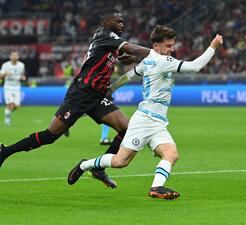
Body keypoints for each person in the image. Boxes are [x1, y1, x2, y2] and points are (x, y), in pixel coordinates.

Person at [67, 25, 223, 199]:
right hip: (144, 120)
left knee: (171, 154)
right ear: (156, 46)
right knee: (120, 161)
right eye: (168, 46)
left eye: (172, 45)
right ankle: (84, 165)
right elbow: (195, 67)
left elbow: (130, 75)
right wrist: (213, 47)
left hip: (158, 122)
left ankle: (156, 187)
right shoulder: (163, 62)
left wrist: (112, 88)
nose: (172, 49)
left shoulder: (148, 60)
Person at [0, 8, 150, 189]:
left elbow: (102, 58)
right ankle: (5, 151)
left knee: (126, 128)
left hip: (97, 96)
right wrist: (155, 54)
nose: (122, 24)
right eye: (118, 21)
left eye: (122, 21)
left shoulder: (109, 42)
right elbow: (130, 47)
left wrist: (120, 59)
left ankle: (99, 168)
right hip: (81, 93)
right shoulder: (105, 34)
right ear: (107, 22)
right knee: (50, 135)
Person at [0, 51, 26, 126]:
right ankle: (7, 119)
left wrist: (23, 77)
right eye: (13, 55)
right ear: (10, 57)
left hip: (17, 87)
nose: (14, 57)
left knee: (16, 106)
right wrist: (5, 74)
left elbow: (22, 75)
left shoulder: (21, 65)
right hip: (8, 87)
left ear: (18, 57)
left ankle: (7, 111)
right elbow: (0, 76)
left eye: (16, 55)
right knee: (10, 104)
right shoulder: (6, 65)